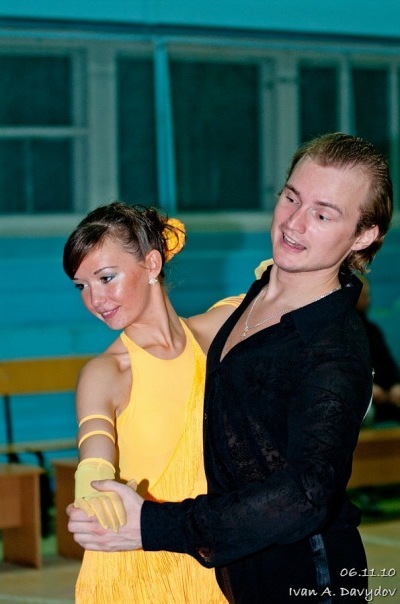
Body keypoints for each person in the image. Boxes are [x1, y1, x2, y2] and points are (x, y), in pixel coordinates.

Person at [67, 133, 393, 603]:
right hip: (221, 571)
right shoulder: (244, 307)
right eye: (291, 198)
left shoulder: (332, 347)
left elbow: (307, 494)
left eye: (323, 214)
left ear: (362, 236)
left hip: (307, 579)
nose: (294, 223)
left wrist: (155, 525)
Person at [63, 202, 243, 603]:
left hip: (211, 560)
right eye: (81, 286)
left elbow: (278, 289)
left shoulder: (215, 332)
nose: (95, 299)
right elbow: (94, 457)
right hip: (134, 571)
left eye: (106, 278)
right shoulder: (107, 372)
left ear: (152, 264)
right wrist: (91, 487)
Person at [356, 275, 400, 424]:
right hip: (360, 399)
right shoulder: (337, 332)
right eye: (364, 295)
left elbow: (388, 363)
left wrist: (396, 385)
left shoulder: (372, 330)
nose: (369, 300)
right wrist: (367, 389)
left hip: (387, 395)